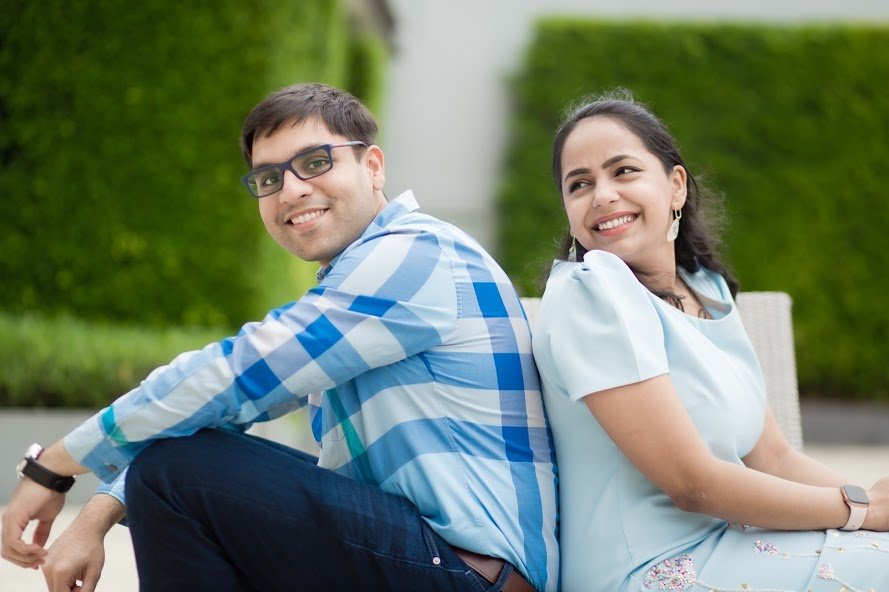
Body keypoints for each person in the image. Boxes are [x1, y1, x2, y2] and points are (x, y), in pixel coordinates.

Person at [1, 82, 558, 592]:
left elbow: (238, 374)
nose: (291, 189)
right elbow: (213, 414)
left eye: (315, 162)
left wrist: (53, 464)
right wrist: (99, 512)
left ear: (374, 166)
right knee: (181, 462)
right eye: (269, 178)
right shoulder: (358, 281)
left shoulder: (415, 256)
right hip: (436, 560)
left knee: (180, 475)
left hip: (472, 573)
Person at [532, 90, 889, 592]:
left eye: (624, 171)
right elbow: (693, 484)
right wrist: (863, 509)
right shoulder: (590, 296)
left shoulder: (707, 289)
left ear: (675, 185)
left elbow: (775, 459)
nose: (603, 194)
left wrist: (873, 501)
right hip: (649, 572)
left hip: (732, 544)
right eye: (580, 184)